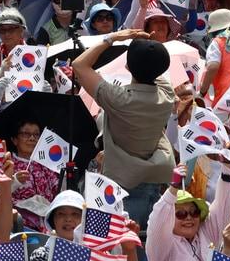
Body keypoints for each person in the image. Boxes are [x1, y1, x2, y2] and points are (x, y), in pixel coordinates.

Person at [73, 31, 176, 228]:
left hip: (119, 185)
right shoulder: (167, 95)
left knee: (115, 248)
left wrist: (113, 38)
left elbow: (79, 65)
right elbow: (155, 68)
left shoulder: (119, 99)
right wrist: (150, 49)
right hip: (151, 182)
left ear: (127, 66)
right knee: (141, 248)